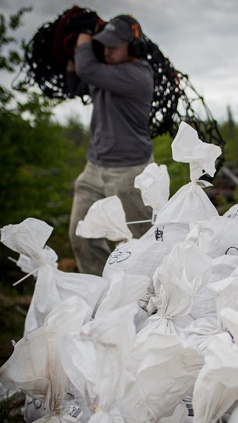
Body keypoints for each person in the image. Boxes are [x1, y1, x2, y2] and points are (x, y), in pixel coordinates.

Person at [65, 14, 154, 276]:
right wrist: (71, 53)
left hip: (130, 174)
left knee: (143, 239)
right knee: (81, 236)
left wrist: (82, 33)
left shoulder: (137, 75)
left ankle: (153, 295)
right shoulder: (106, 72)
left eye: (114, 46)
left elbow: (87, 70)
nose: (106, 51)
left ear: (134, 47)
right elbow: (76, 84)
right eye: (103, 45)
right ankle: (105, 295)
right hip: (94, 170)